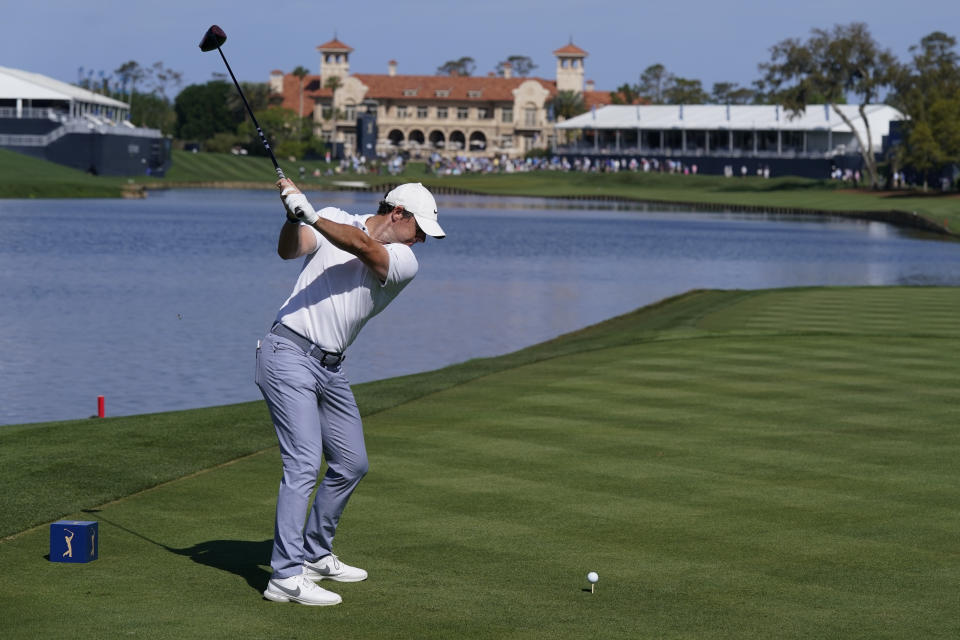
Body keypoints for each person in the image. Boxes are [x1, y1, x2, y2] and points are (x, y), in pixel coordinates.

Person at [256, 178, 445, 606]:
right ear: (398, 213)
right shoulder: (336, 219)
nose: (421, 241)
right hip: (287, 352)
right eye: (419, 230)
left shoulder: (403, 261)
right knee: (304, 463)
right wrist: (293, 217)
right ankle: (284, 577)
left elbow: (365, 249)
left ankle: (314, 553)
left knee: (352, 463)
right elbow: (290, 249)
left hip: (331, 369)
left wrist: (310, 213)